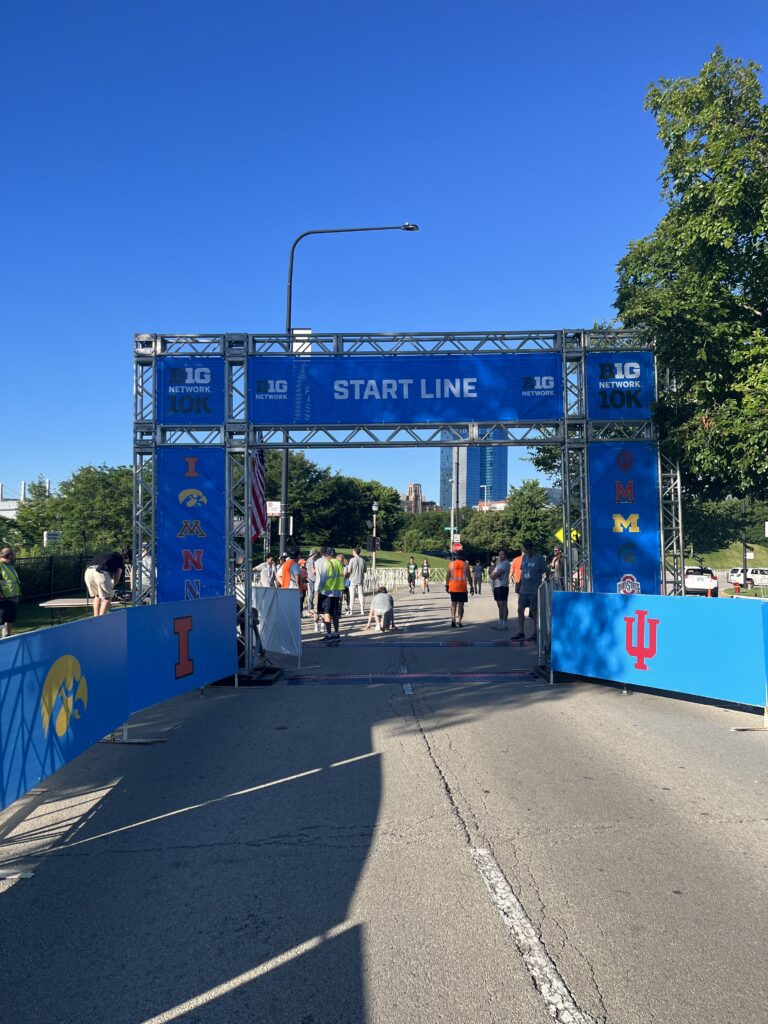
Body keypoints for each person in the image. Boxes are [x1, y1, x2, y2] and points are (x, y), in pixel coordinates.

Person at [512, 540, 548, 642]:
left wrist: (547, 580)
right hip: (524, 590)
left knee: (534, 611)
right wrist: (518, 585)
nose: (528, 550)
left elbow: (546, 571)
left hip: (534, 590)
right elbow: (522, 572)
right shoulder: (524, 557)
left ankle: (536, 633)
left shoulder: (539, 558)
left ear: (533, 548)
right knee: (520, 610)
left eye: (529, 548)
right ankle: (521, 632)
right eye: (526, 548)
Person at [316, 546, 345, 642]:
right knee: (335, 613)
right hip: (337, 592)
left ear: (327, 555)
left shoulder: (327, 563)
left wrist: (319, 589)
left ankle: (329, 634)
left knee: (326, 613)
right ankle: (336, 633)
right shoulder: (339, 563)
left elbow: (323, 578)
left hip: (327, 592)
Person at [84, 550, 125, 617]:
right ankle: (101, 619)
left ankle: (96, 618)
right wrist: (112, 586)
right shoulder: (120, 558)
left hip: (88, 572)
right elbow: (118, 575)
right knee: (107, 598)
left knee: (97, 596)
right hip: (101, 571)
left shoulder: (103, 554)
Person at [446, 546, 470, 627]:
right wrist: (472, 587)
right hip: (462, 588)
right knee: (461, 605)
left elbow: (448, 576)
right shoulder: (466, 565)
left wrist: (447, 585)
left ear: (455, 557)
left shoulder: (451, 564)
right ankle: (459, 621)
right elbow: (469, 576)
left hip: (453, 587)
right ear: (462, 556)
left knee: (453, 604)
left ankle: (453, 618)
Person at [0, 547, 21, 637]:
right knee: (1, 621)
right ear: (9, 555)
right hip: (3, 599)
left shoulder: (10, 566)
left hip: (13, 598)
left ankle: (8, 636)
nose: (15, 557)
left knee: (10, 620)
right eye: (13, 555)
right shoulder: (1, 565)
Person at [489, 548, 511, 630]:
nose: (500, 556)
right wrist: (496, 575)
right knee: (499, 605)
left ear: (505, 555)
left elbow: (495, 575)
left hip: (503, 586)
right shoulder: (499, 564)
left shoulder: (506, 563)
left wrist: (496, 575)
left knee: (503, 605)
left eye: (502, 554)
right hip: (497, 586)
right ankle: (500, 622)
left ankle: (504, 623)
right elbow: (491, 575)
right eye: (499, 554)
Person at [347, 546, 366, 615]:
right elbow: (365, 571)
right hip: (360, 579)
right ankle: (362, 610)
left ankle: (351, 611)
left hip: (352, 579)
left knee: (352, 596)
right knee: (361, 595)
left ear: (355, 552)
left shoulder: (352, 560)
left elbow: (349, 570)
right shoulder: (363, 560)